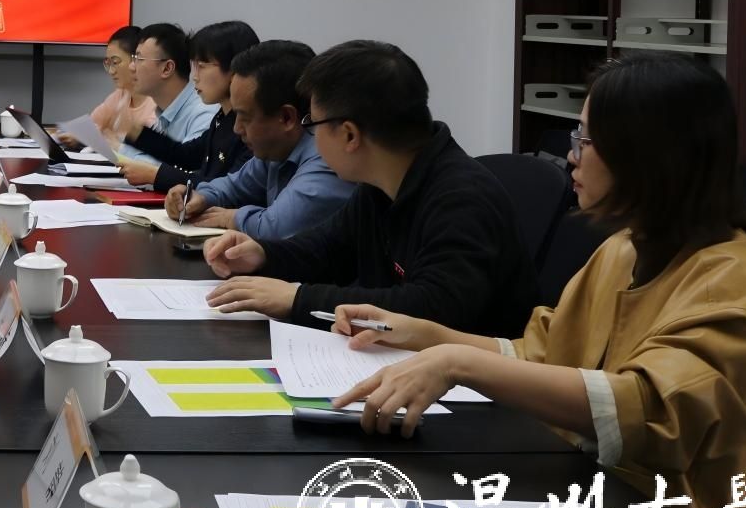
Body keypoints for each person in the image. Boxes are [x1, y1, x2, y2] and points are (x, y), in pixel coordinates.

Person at [328, 55, 746, 508]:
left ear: (647, 154)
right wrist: (428, 335)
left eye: (586, 141)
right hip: (614, 501)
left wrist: (457, 362)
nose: (572, 157)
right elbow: (546, 353)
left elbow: (648, 410)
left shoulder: (737, 278)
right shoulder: (624, 249)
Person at [204, 40, 537, 337]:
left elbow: (432, 307)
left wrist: (297, 298)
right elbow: (327, 249)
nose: (311, 137)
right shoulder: (379, 186)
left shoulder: (462, 199)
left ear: (350, 135)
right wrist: (262, 254)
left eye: (313, 124)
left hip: (473, 382)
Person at [163, 40, 354, 240]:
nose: (236, 128)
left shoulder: (327, 158)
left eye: (245, 117)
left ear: (286, 118)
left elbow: (277, 228)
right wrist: (199, 197)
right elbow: (233, 186)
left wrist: (233, 217)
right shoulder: (277, 149)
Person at [118, 20, 259, 191]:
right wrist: (136, 132)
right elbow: (185, 155)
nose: (195, 77)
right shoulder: (222, 118)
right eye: (194, 66)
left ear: (234, 68)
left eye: (202, 66)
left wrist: (155, 175)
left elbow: (225, 188)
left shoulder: (251, 128)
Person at [118, 23, 215, 164]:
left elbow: (180, 167)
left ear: (167, 68)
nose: (131, 67)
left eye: (139, 59)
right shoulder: (164, 111)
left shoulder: (203, 114)